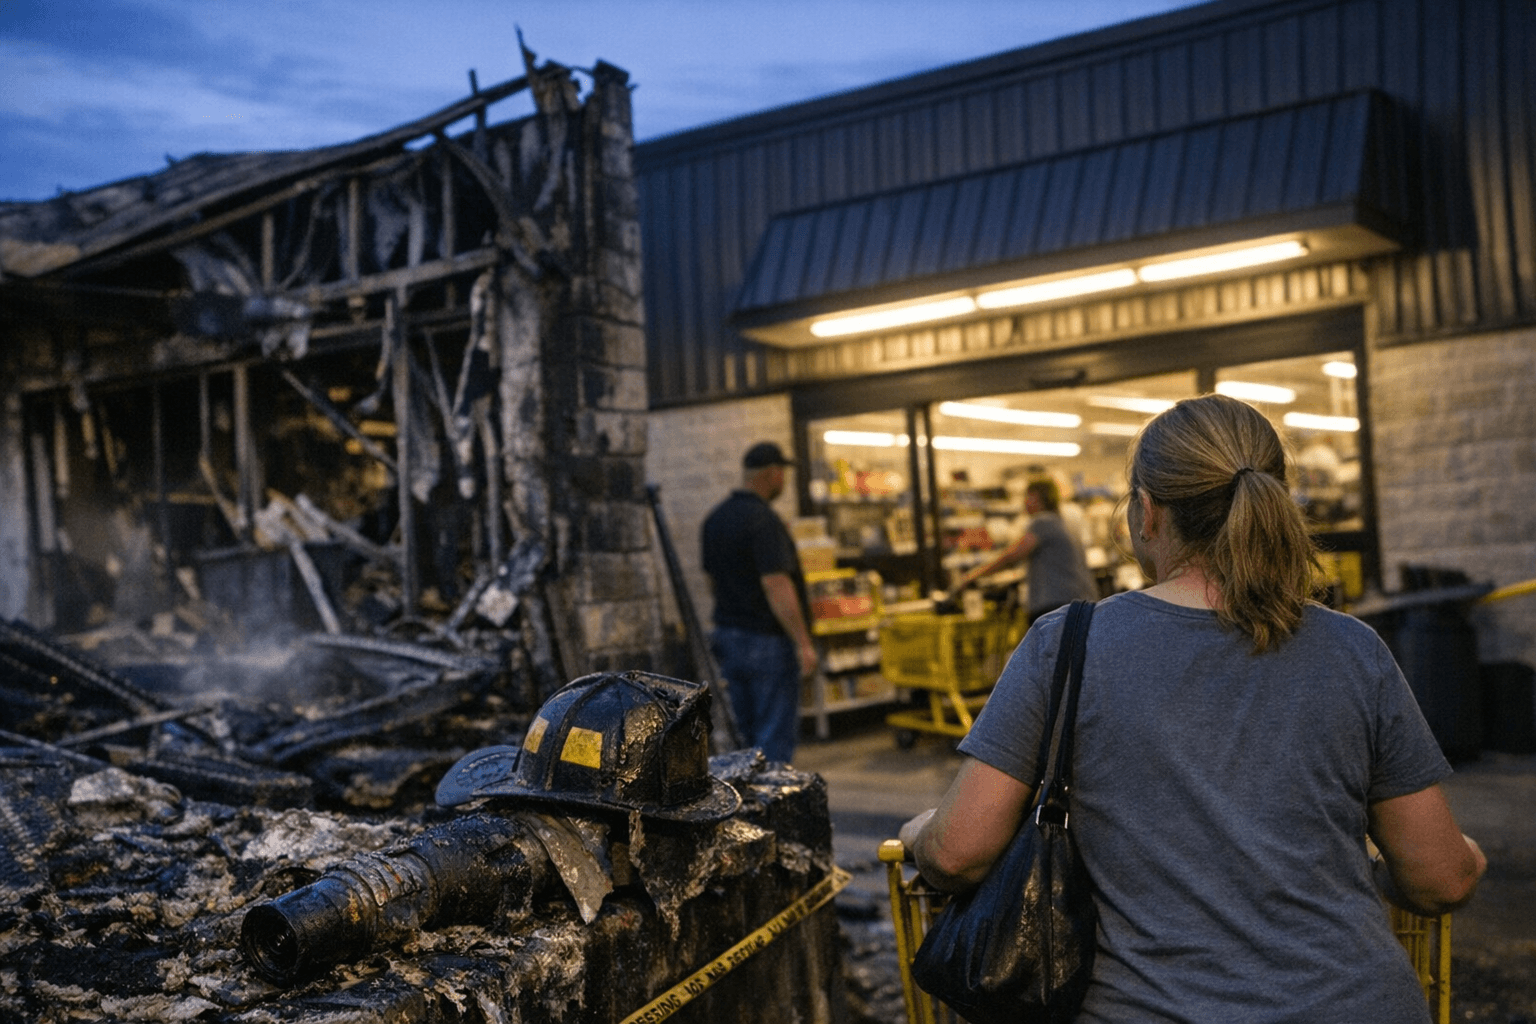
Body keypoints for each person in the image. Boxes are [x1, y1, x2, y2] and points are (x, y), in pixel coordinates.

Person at [900, 394, 1485, 1024]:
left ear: (1147, 513)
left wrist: (917, 834)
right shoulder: (1353, 650)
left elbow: (959, 852)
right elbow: (1441, 879)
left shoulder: (1068, 645)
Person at [701, 441, 818, 763]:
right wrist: (803, 642)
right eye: (783, 474)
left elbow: (711, 580)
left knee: (742, 735)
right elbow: (776, 583)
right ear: (773, 474)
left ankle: (742, 806)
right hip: (766, 644)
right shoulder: (764, 520)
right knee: (773, 739)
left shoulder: (715, 519)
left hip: (727, 638)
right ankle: (768, 808)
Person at [950, 476, 1098, 623]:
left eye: (1027, 496)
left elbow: (1011, 556)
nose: (1024, 502)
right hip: (1078, 604)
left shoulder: (1043, 522)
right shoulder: (1061, 522)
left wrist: (971, 576)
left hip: (1058, 607)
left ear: (1036, 497)